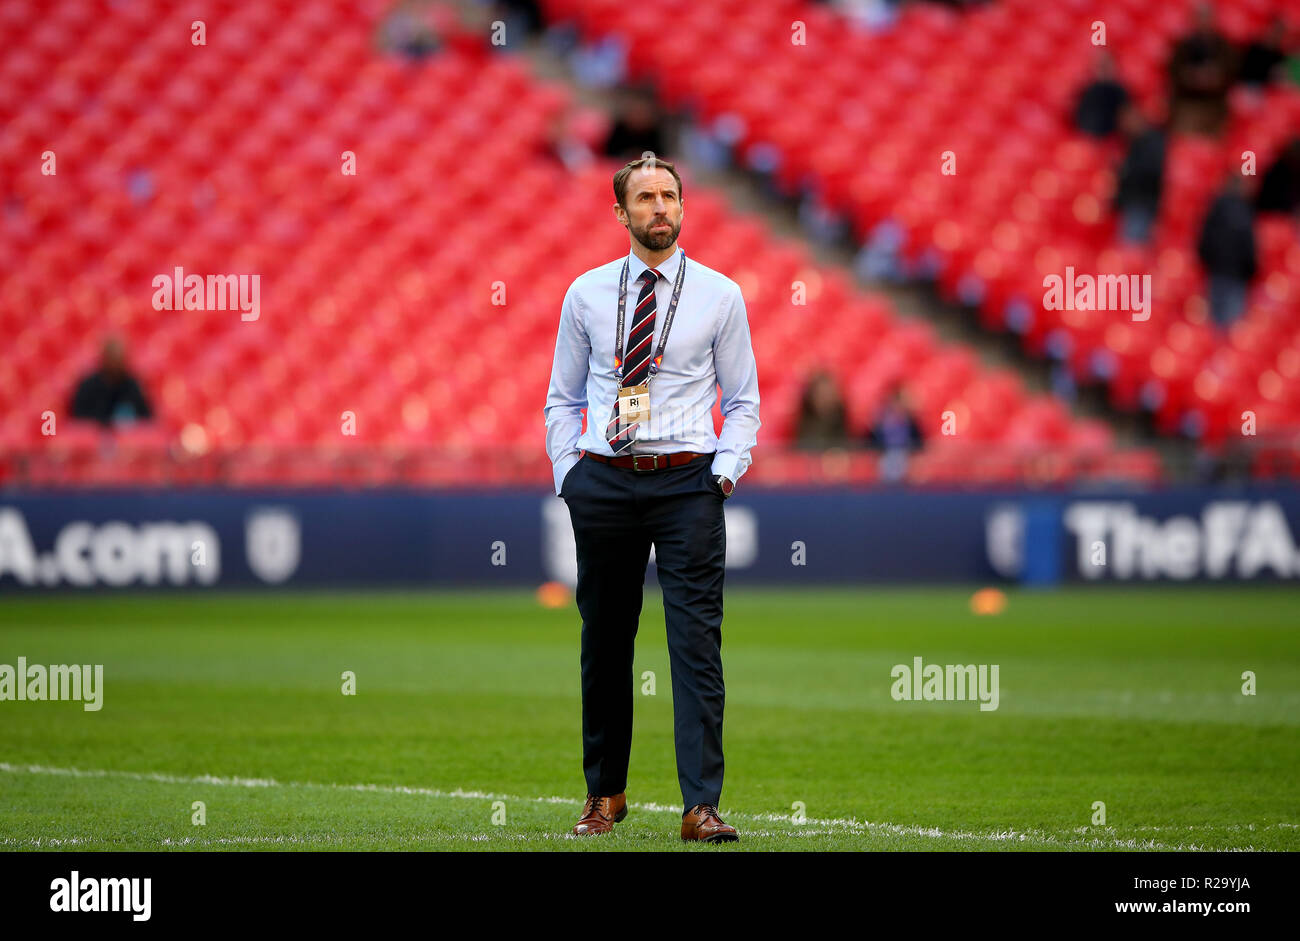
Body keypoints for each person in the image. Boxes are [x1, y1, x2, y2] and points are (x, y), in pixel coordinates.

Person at [543, 156, 760, 843]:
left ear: (683, 207)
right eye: (645, 197)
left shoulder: (721, 295)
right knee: (605, 642)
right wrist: (568, 475)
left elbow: (745, 401)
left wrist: (722, 475)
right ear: (621, 214)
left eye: (668, 195)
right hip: (604, 480)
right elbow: (563, 397)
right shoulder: (585, 293)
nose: (659, 206)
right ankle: (604, 794)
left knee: (696, 643)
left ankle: (700, 805)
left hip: (688, 481)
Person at [1197, 173, 1258, 332]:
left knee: (1214, 327)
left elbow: (1203, 241)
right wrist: (1250, 271)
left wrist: (1208, 264)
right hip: (1235, 277)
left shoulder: (1215, 209)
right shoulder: (1244, 212)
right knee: (1231, 329)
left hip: (1216, 273)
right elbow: (1248, 248)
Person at [1113, 104, 1167, 245]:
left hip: (1142, 206)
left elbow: (1154, 172)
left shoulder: (1153, 142)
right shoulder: (1133, 142)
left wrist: (1126, 172)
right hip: (1133, 204)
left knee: (1133, 251)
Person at [69, 336, 153, 426]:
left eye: (119, 358)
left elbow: (146, 419)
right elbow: (78, 419)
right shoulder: (88, 385)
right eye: (112, 358)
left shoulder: (133, 386)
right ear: (104, 358)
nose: (115, 364)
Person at [1074, 51, 1130, 138]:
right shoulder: (1087, 90)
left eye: (1107, 65)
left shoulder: (1120, 91)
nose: (1104, 69)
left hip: (1114, 139)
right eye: (1101, 66)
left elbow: (1126, 119)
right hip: (1091, 136)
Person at [794, 368, 850, 450]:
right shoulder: (803, 423)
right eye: (821, 395)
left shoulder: (844, 421)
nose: (826, 399)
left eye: (828, 394)